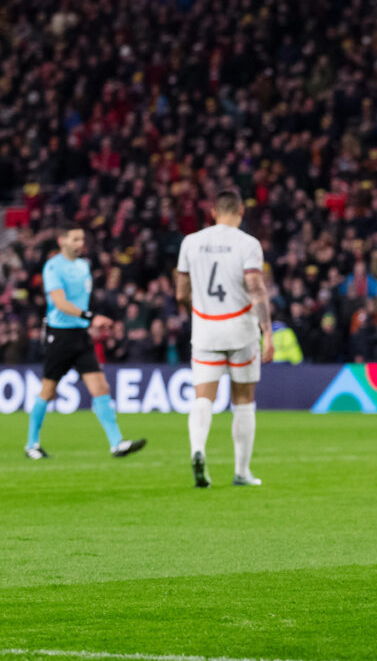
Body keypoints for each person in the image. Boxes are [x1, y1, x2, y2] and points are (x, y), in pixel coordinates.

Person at [175, 188, 274, 488]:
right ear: (241, 211)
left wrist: (196, 312)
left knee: (203, 397)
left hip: (205, 328)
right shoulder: (248, 244)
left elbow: (181, 293)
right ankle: (242, 472)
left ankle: (197, 450)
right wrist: (267, 331)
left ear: (213, 212)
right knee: (243, 399)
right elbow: (255, 288)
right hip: (241, 328)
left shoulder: (191, 242)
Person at [25, 224, 146, 460]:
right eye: (75, 239)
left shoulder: (83, 266)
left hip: (81, 335)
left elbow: (81, 303)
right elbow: (60, 303)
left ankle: (117, 443)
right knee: (48, 391)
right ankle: (32, 444)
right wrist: (91, 317)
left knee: (100, 387)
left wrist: (90, 324)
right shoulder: (53, 267)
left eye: (81, 239)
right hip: (59, 335)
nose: (80, 244)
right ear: (62, 241)